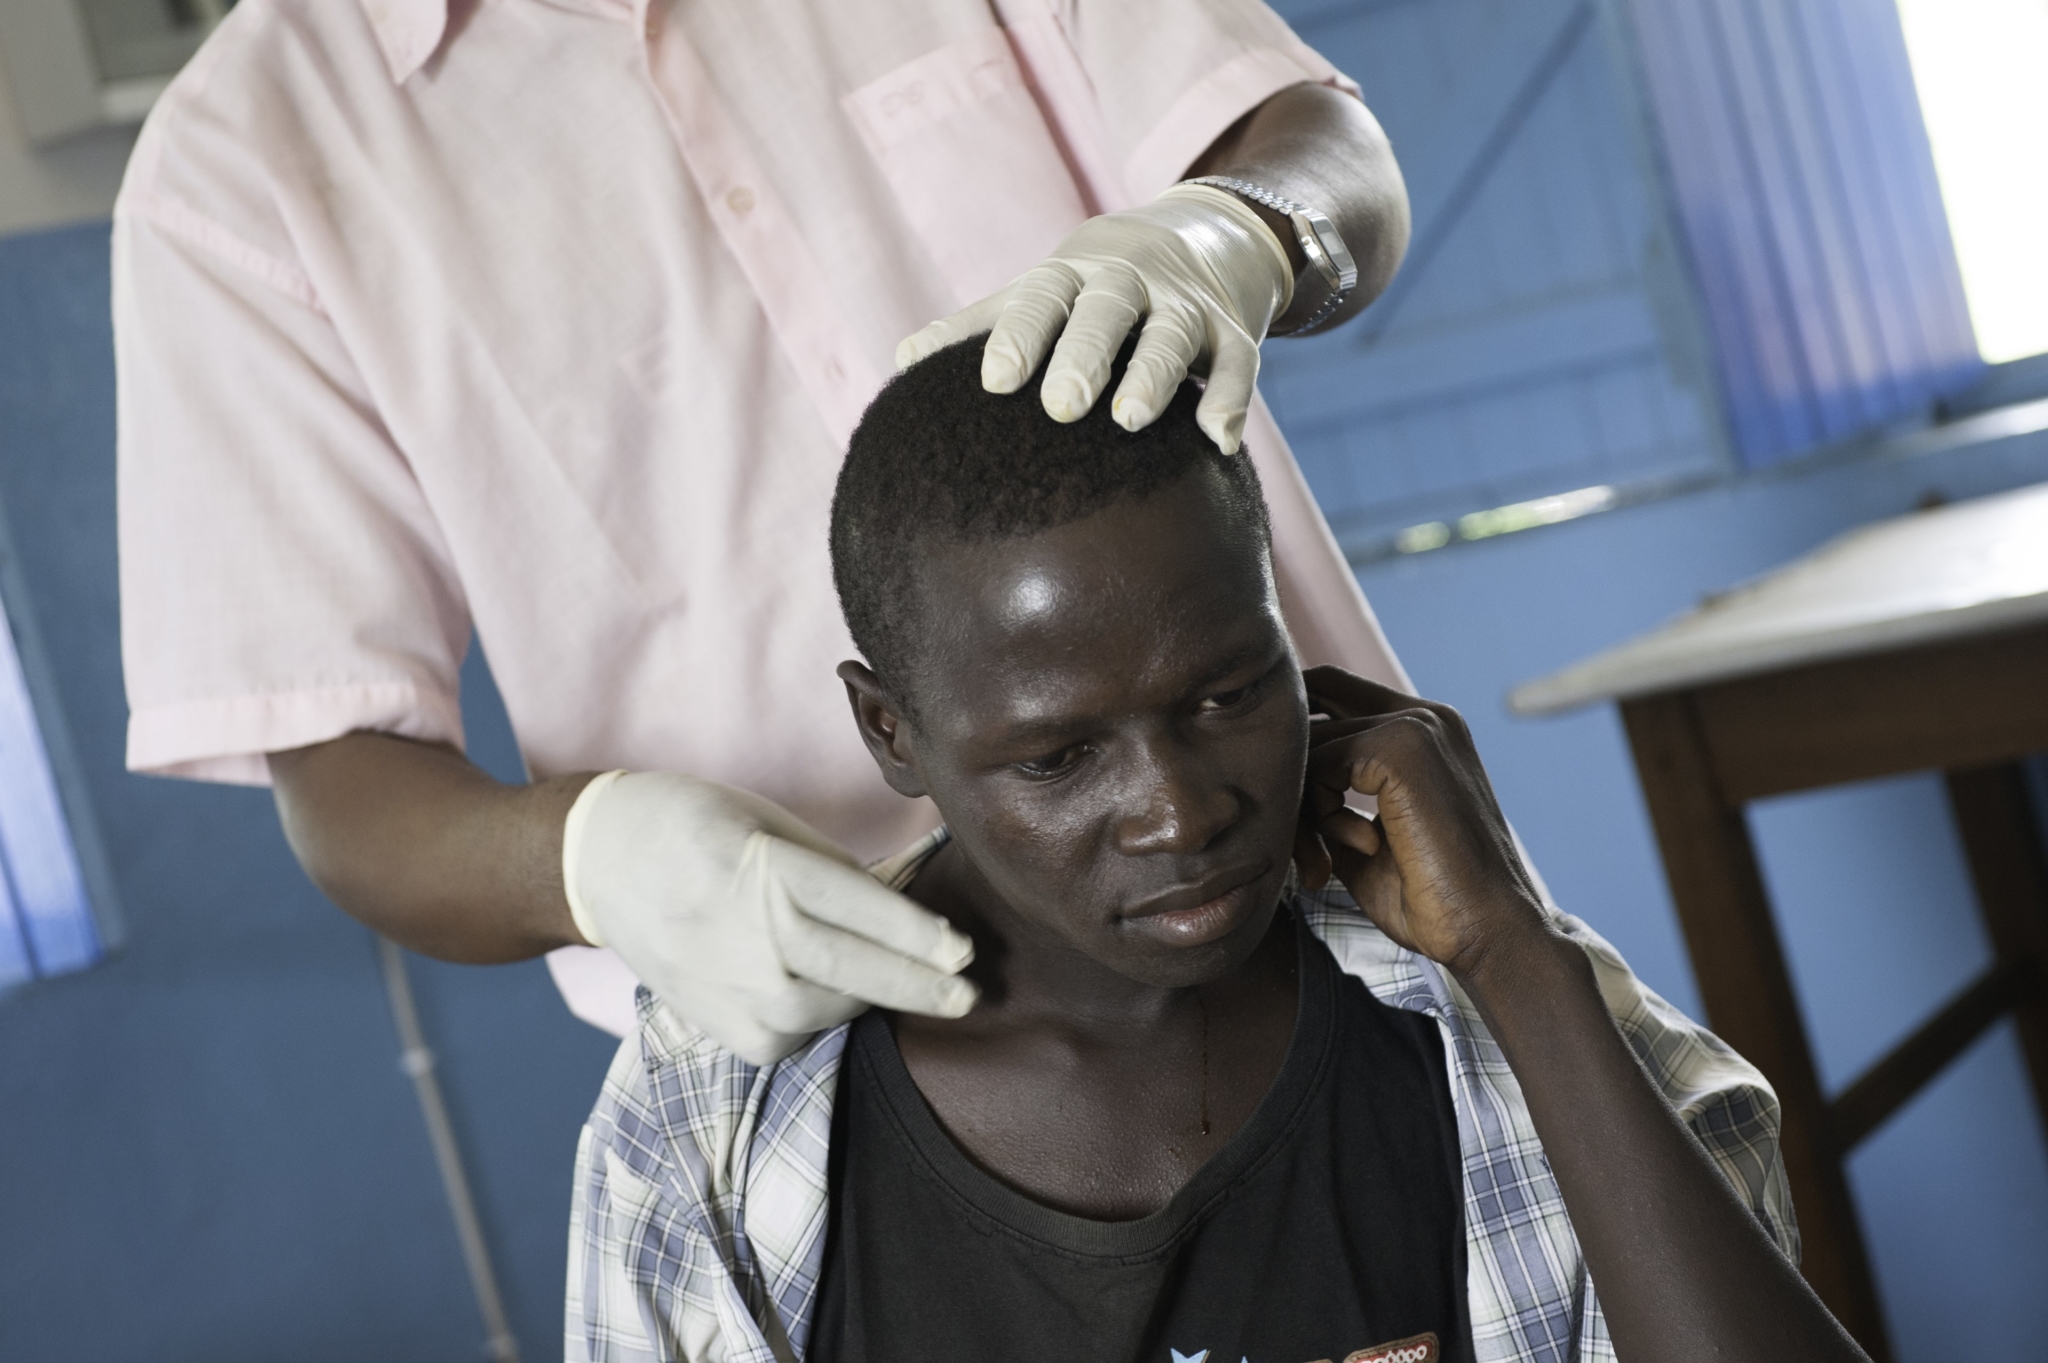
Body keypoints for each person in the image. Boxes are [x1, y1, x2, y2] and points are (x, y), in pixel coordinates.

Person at [115, 0, 1415, 1056]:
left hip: (1321, 891)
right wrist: (588, 858)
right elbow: (342, 782)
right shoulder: (237, 176)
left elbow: (1316, 144)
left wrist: (1230, 228)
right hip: (832, 1053)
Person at [566, 339, 1873, 1363]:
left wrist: (1514, 957)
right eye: (1058, 757)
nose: (1180, 814)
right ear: (891, 733)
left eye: (1229, 695)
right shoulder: (708, 1120)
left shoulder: (1494, 1015)